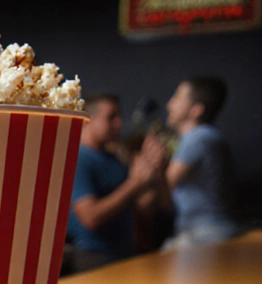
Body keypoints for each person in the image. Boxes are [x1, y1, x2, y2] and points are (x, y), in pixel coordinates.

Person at [66, 93, 165, 273]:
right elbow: (90, 217)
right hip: (93, 259)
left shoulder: (113, 158)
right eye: (111, 117)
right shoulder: (79, 158)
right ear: (88, 120)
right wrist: (134, 184)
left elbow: (142, 209)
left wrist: (153, 174)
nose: (119, 123)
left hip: (122, 256)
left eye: (119, 116)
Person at [164, 76, 238, 247]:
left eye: (177, 98)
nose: (169, 104)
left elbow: (166, 185)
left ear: (196, 110)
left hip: (205, 233)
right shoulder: (210, 136)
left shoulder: (198, 137)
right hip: (214, 231)